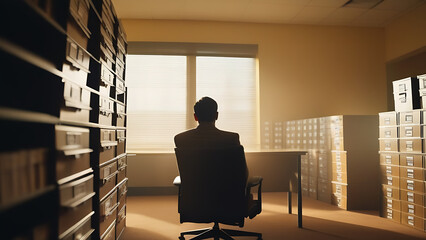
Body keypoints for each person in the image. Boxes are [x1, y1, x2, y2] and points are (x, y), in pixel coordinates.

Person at [174, 96, 240, 149]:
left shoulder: (180, 139)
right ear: (216, 115)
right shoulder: (231, 139)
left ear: (195, 117)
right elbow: (239, 165)